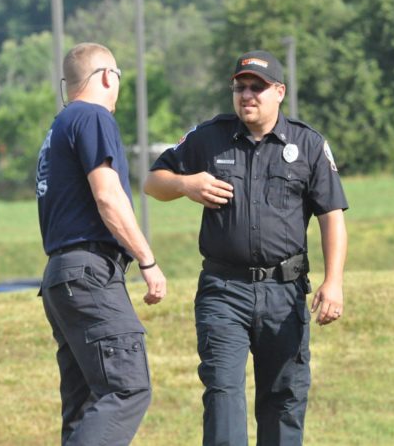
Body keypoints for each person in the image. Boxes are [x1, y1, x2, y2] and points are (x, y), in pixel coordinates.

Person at [144, 49, 348, 445]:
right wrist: (187, 185)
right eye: (240, 87)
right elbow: (154, 181)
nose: (247, 95)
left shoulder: (307, 144)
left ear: (279, 92)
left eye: (258, 87)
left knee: (283, 399)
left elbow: (332, 215)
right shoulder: (209, 138)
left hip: (285, 292)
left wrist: (334, 281)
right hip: (224, 290)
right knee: (222, 394)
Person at [35, 42, 167, 446]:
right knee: (126, 388)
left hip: (62, 277)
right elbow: (108, 195)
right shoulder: (93, 117)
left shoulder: (59, 126)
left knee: (86, 403)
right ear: (108, 77)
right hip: (90, 274)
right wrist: (147, 259)